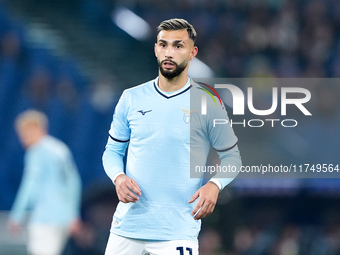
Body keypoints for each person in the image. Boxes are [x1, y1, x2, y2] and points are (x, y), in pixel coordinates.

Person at [102, 18, 242, 254]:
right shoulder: (131, 98)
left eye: (178, 46)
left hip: (177, 231)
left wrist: (214, 185)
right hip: (127, 227)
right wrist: (118, 177)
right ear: (156, 49)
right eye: (163, 45)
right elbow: (112, 151)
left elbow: (232, 157)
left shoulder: (208, 101)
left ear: (192, 52)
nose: (169, 52)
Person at [8, 109, 82, 255]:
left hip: (45, 219)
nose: (22, 138)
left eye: (24, 133)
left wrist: (17, 215)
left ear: (36, 129)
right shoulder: (60, 149)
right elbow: (74, 183)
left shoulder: (37, 152)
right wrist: (73, 215)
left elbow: (30, 185)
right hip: (63, 220)